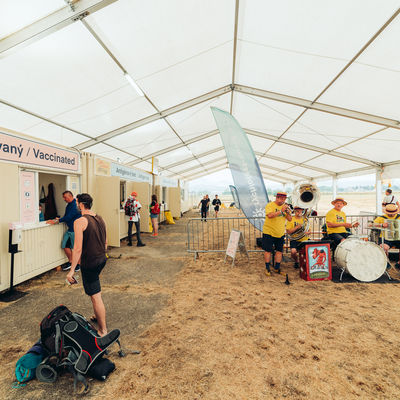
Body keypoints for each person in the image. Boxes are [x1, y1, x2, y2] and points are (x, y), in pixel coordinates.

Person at [66, 193, 108, 337]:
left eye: (77, 203)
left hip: (90, 263)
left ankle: (102, 330)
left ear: (81, 204)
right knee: (95, 289)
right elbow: (106, 241)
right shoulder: (99, 218)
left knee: (95, 296)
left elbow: (77, 248)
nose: (76, 205)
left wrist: (72, 270)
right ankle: (97, 314)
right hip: (102, 259)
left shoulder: (80, 221)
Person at [46, 190, 81, 271]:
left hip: (75, 230)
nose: (64, 199)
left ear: (70, 196)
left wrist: (56, 221)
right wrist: (60, 219)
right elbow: (66, 216)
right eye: (63, 197)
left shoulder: (75, 205)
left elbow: (69, 217)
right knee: (65, 246)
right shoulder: (68, 205)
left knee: (76, 248)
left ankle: (78, 265)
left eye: (65, 197)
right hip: (70, 230)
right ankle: (71, 262)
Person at [263, 192, 292, 276]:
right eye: (281, 199)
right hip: (269, 232)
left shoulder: (285, 207)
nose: (283, 201)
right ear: (277, 198)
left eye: (284, 199)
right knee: (268, 250)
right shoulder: (270, 205)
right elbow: (270, 215)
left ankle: (277, 267)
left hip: (280, 232)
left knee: (279, 251)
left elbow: (290, 219)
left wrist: (288, 212)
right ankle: (267, 268)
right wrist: (281, 211)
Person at [373, 203, 400, 269]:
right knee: (383, 247)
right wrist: (381, 225)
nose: (391, 214)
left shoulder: (399, 217)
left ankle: (399, 263)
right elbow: (370, 225)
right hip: (385, 238)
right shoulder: (381, 218)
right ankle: (386, 262)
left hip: (398, 237)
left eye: (393, 213)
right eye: (389, 213)